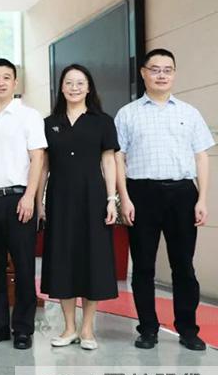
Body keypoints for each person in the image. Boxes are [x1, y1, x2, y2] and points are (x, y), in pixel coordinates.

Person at [115, 48, 214, 351]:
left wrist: (202, 199)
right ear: (143, 73)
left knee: (183, 266)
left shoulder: (189, 113)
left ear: (174, 74)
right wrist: (124, 198)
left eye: (167, 70)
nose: (161, 75)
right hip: (141, 193)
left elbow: (202, 157)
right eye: (155, 69)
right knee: (143, 266)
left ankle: (188, 329)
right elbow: (117, 158)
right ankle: (148, 329)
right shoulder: (127, 113)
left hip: (183, 193)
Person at [36, 64, 119, 351]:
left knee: (92, 259)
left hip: (93, 197)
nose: (74, 87)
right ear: (61, 88)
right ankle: (69, 327)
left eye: (80, 83)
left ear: (89, 87)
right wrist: (39, 202)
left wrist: (112, 199)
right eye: (69, 83)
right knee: (63, 259)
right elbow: (44, 166)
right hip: (59, 198)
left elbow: (108, 161)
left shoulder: (102, 121)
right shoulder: (49, 123)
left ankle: (87, 329)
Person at [0, 59, 46, 350]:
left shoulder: (29, 116)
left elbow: (38, 157)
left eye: (7, 77)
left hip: (19, 199)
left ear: (15, 83)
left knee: (23, 266)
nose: (1, 82)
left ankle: (23, 329)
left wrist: (30, 196)